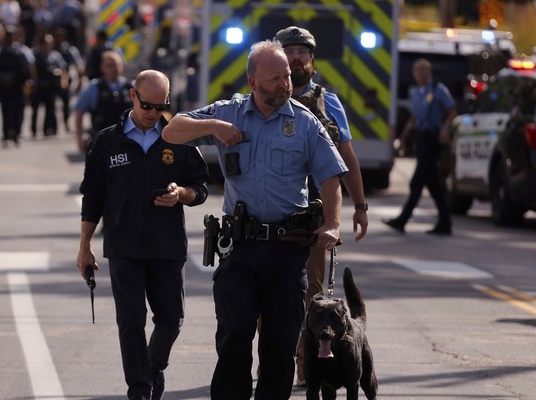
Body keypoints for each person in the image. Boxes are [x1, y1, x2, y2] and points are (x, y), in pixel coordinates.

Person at [161, 40, 347, 400]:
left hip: (287, 250)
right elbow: (172, 131)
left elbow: (331, 176)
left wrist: (333, 223)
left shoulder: (305, 123)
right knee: (233, 336)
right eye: (275, 78)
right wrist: (214, 127)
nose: (284, 83)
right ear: (253, 82)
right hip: (240, 250)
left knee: (279, 345)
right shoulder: (229, 113)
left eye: (287, 76)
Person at [77, 70, 209, 400]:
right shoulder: (107, 142)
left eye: (162, 106)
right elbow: (92, 197)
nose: (154, 113)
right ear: (133, 96)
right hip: (124, 248)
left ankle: (153, 366)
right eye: (148, 105)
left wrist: (182, 194)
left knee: (171, 320)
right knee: (131, 322)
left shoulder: (177, 138)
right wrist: (84, 247)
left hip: (167, 248)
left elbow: (201, 187)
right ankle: (139, 389)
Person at [274, 25, 369, 388]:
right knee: (268, 295)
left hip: (314, 219)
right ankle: (271, 363)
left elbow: (347, 157)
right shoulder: (262, 97)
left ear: (312, 61)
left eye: (303, 53)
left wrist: (359, 206)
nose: (297, 58)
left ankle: (306, 368)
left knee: (312, 298)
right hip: (271, 216)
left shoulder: (328, 103)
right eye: (290, 52)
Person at [383, 58, 456, 235]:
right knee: (434, 186)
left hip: (433, 139)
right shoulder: (415, 92)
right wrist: (402, 139)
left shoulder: (438, 90)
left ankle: (402, 220)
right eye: (417, 70)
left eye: (424, 70)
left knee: (416, 182)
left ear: (429, 72)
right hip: (421, 139)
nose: (420, 73)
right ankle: (445, 223)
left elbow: (452, 111)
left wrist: (445, 129)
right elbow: (413, 118)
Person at [74, 50, 132, 153]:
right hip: (101, 141)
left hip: (127, 140)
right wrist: (80, 137)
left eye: (117, 65)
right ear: (102, 67)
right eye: (110, 65)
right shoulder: (94, 87)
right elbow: (79, 111)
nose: (114, 69)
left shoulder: (130, 87)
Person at [0, 25, 32, 147]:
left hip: (18, 85)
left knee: (18, 110)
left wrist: (31, 82)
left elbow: (29, 67)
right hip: (4, 86)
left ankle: (17, 134)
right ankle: (6, 135)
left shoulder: (22, 50)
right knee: (5, 111)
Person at [30, 33, 66, 137]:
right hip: (38, 85)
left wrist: (63, 80)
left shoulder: (55, 56)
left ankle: (48, 129)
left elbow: (63, 69)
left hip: (51, 85)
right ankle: (34, 130)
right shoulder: (34, 55)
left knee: (50, 109)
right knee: (35, 109)